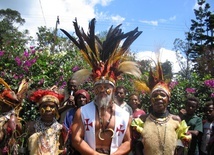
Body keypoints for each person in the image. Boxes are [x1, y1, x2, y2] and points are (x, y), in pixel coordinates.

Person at [61, 18, 142, 154]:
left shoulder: (124, 115)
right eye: (99, 87)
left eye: (106, 87)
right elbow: (76, 139)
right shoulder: (83, 112)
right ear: (94, 89)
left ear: (114, 90)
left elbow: (128, 142)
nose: (102, 90)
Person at [131, 60, 191, 155]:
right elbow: (137, 145)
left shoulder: (176, 120)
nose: (159, 98)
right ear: (151, 100)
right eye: (155, 96)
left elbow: (181, 146)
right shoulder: (142, 120)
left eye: (162, 95)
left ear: (168, 99)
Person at [27, 88, 67, 155]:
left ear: (57, 110)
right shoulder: (31, 127)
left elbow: (62, 149)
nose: (48, 109)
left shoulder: (60, 129)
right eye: (44, 106)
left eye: (52, 106)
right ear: (39, 109)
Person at [0, 78, 28, 155]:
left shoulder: (11, 119)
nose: (1, 106)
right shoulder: (3, 117)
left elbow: (14, 135)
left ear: (10, 107)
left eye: (4, 105)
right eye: (1, 104)